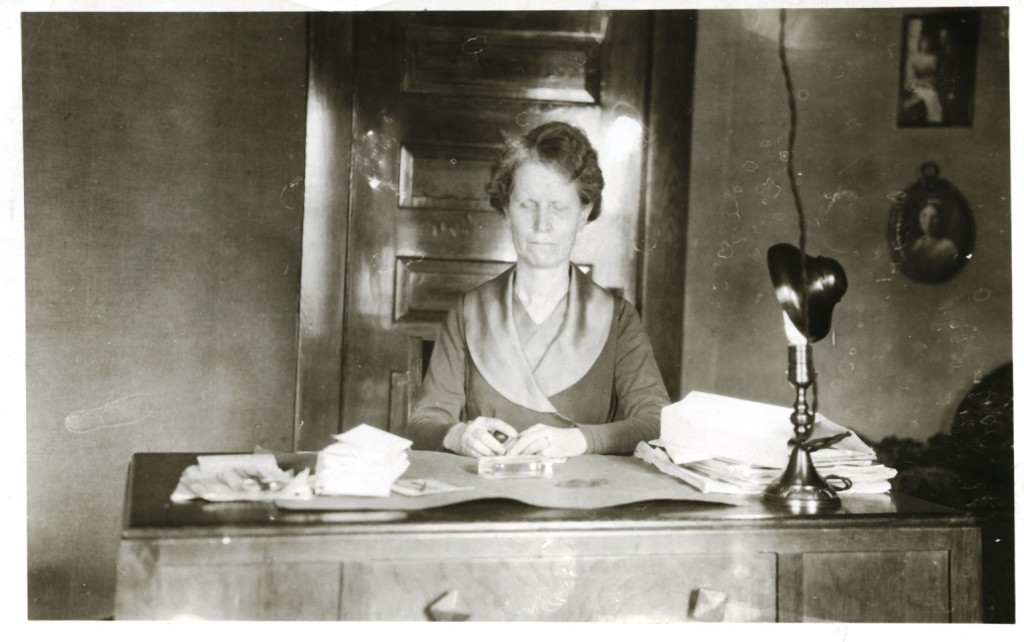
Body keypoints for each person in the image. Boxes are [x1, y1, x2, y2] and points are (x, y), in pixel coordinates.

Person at [401, 121, 670, 458]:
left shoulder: (618, 318)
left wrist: (579, 440)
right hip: (488, 494)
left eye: (558, 207)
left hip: (581, 498)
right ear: (506, 211)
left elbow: (656, 421)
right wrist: (458, 435)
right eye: (527, 204)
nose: (542, 224)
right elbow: (424, 422)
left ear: (583, 213)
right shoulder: (469, 311)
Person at [903, 29, 943, 124]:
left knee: (934, 96)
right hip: (916, 87)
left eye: (928, 42)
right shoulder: (913, 59)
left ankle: (934, 122)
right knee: (930, 96)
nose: (926, 45)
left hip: (930, 86)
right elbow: (910, 80)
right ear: (920, 43)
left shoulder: (934, 58)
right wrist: (923, 83)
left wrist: (932, 81)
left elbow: (935, 76)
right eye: (924, 42)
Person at [909, 198, 958, 273]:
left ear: (941, 219)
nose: (929, 222)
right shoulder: (917, 244)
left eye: (934, 217)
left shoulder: (948, 247)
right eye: (924, 216)